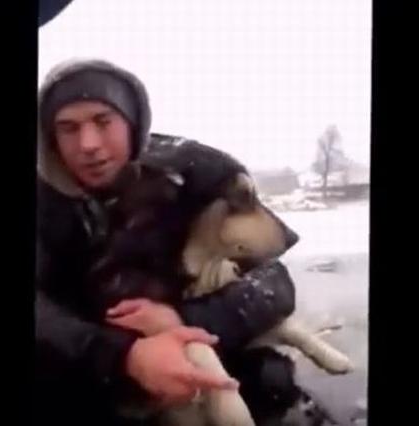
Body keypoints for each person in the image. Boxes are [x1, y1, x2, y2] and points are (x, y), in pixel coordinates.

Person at [35, 58, 298, 425]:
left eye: (103, 121)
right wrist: (125, 356)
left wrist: (183, 320)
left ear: (132, 122)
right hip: (89, 366)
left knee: (271, 380)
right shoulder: (45, 201)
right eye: (68, 128)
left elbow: (274, 282)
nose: (88, 144)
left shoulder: (184, 178)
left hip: (191, 344)